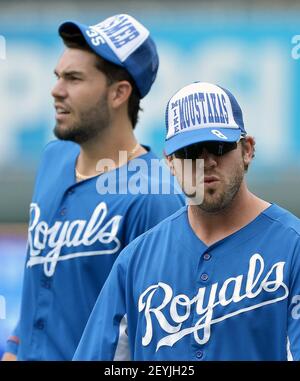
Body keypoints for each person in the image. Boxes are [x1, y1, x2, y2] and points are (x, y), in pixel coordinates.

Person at [73, 81, 300, 361]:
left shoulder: (293, 247)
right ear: (170, 161)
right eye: (190, 151)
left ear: (247, 150)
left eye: (217, 146)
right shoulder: (135, 261)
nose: (205, 161)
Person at [2, 14, 184, 361]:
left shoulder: (156, 196)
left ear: (119, 93)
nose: (56, 90)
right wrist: (14, 351)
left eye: (73, 78)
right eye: (57, 76)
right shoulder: (54, 158)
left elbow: (162, 338)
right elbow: (40, 291)